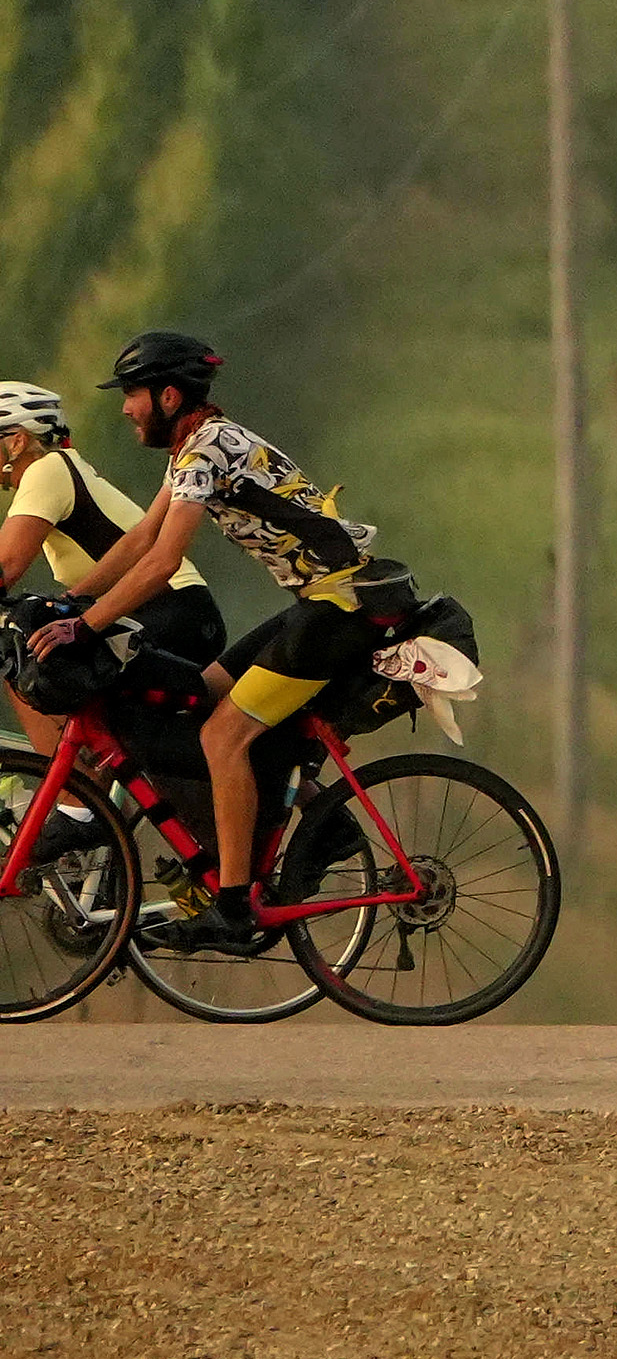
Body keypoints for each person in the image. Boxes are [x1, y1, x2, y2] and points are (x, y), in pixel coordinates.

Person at [42, 332, 417, 955]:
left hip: (345, 605)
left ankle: (234, 903)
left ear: (167, 395)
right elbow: (138, 541)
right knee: (207, 695)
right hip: (326, 601)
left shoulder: (206, 450)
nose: (125, 408)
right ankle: (309, 828)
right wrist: (72, 600)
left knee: (223, 735)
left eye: (132, 394)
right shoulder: (199, 444)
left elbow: (163, 562)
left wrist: (84, 625)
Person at [0, 376, 224, 846]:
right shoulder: (61, 468)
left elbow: (6, 564)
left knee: (27, 660)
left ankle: (76, 806)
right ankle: (83, 800)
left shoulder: (47, 469)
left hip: (168, 608)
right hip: (165, 609)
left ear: (17, 440)